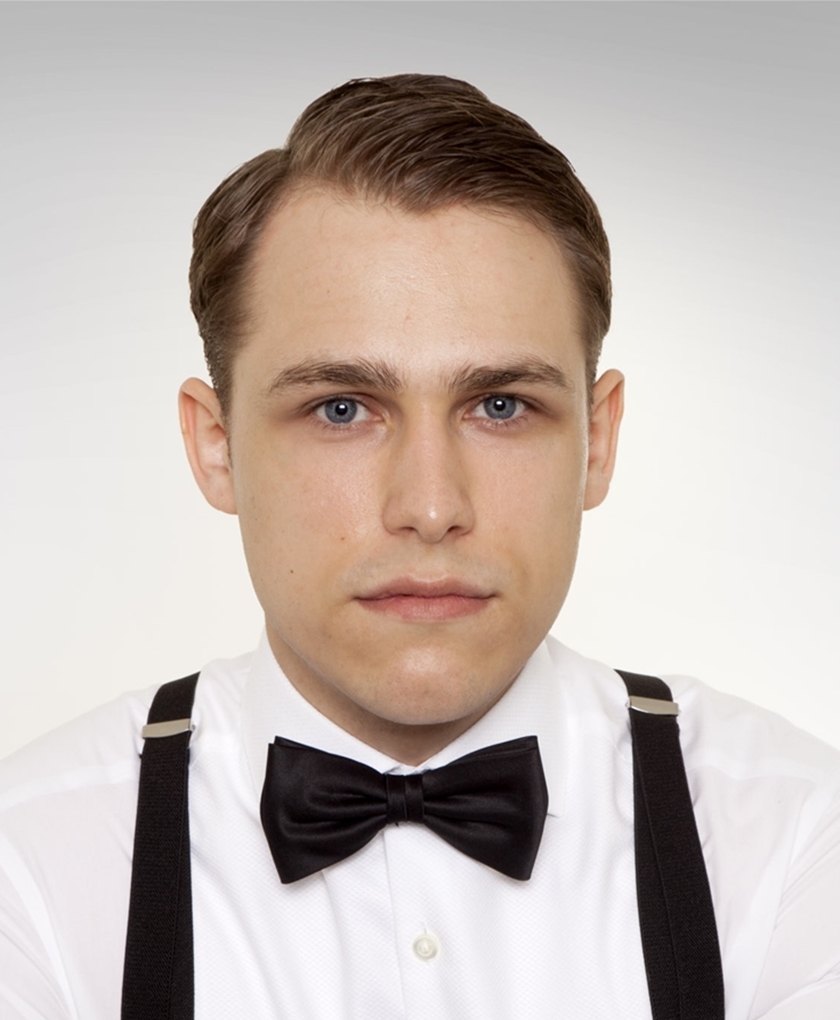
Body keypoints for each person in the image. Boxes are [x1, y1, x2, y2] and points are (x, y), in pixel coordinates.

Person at [0, 74, 838, 1019]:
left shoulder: (799, 840)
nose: (431, 507)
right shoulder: (27, 865)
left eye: (500, 405)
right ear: (215, 447)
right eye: (341, 408)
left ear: (598, 442)